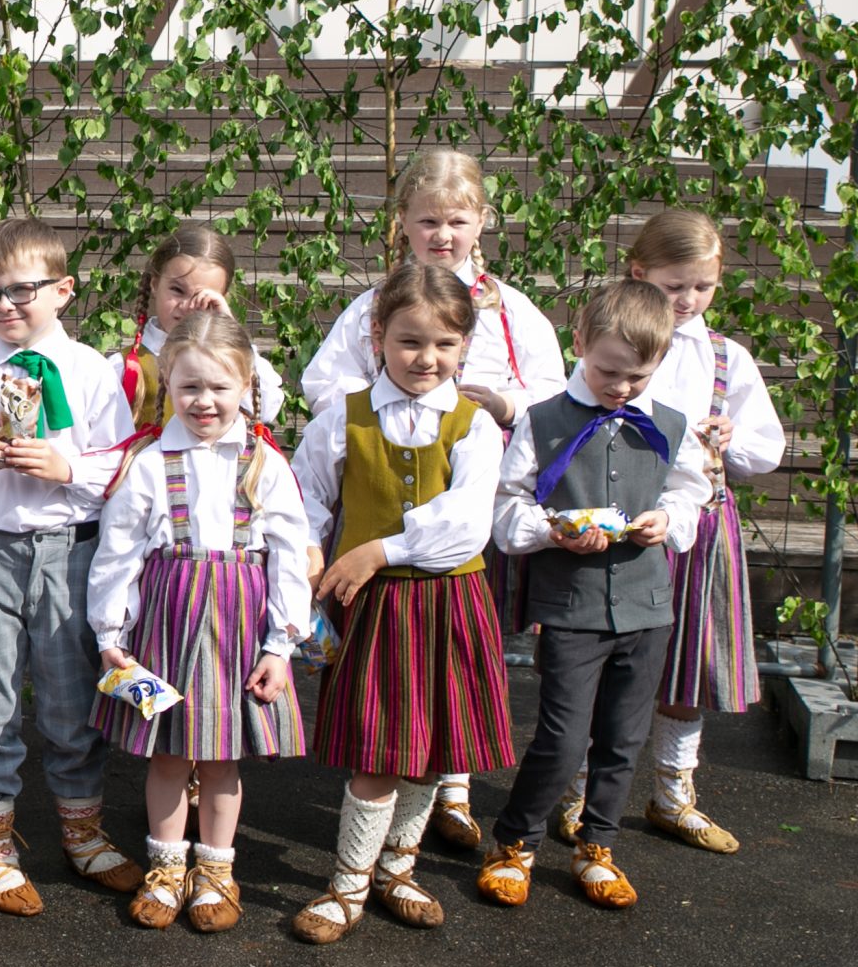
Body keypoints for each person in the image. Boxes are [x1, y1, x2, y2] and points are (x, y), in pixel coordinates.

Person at [300, 147, 565, 852]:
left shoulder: (510, 310)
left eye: (456, 221)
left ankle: (453, 788)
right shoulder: (374, 306)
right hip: (381, 483)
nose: (442, 235)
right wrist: (380, 409)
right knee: (385, 677)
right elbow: (324, 384)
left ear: (482, 221)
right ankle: (374, 839)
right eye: (427, 222)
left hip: (477, 491)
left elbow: (553, 392)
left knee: (454, 653)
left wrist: (500, 404)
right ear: (403, 224)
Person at [535, 210, 783, 856]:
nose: (689, 300)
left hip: (692, 527)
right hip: (607, 532)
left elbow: (767, 449)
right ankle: (578, 792)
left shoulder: (726, 357)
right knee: (601, 672)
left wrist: (730, 438)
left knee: (689, 669)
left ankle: (673, 794)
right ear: (640, 273)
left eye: (703, 286)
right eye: (676, 286)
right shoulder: (610, 346)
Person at [286, 264, 513, 944]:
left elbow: (467, 523)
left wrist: (378, 551)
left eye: (444, 344)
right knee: (378, 752)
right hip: (375, 610)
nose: (427, 358)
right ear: (378, 336)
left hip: (448, 601)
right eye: (410, 341)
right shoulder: (344, 416)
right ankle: (349, 882)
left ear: (465, 346)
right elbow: (303, 493)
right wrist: (311, 550)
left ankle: (397, 868)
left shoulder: (475, 426)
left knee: (430, 748)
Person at [0, 218, 138, 915]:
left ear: (63, 291)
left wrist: (67, 468)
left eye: (22, 291)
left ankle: (83, 833)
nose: (5, 306)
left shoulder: (92, 372)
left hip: (69, 550)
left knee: (71, 699)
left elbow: (123, 467)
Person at [480, 281, 712, 912]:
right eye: (609, 371)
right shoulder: (543, 420)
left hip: (647, 606)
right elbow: (507, 505)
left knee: (623, 739)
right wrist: (551, 530)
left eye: (638, 376)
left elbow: (690, 493)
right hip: (572, 607)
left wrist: (668, 519)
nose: (621, 388)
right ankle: (515, 843)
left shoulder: (670, 424)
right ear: (579, 343)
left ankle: (597, 847)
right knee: (561, 738)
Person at [88, 311, 306, 933]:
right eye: (189, 387)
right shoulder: (149, 463)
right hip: (168, 622)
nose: (204, 401)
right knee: (167, 755)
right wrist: (110, 633)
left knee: (220, 758)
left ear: (246, 386)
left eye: (219, 387)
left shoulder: (265, 464)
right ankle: (164, 869)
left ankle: (214, 871)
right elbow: (118, 553)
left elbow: (291, 555)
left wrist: (281, 645)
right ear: (168, 385)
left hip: (240, 628)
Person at [120, 224, 285, 426]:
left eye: (201, 297)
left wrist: (229, 329)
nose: (187, 306)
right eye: (177, 290)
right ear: (155, 284)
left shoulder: (227, 358)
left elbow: (266, 409)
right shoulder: (125, 367)